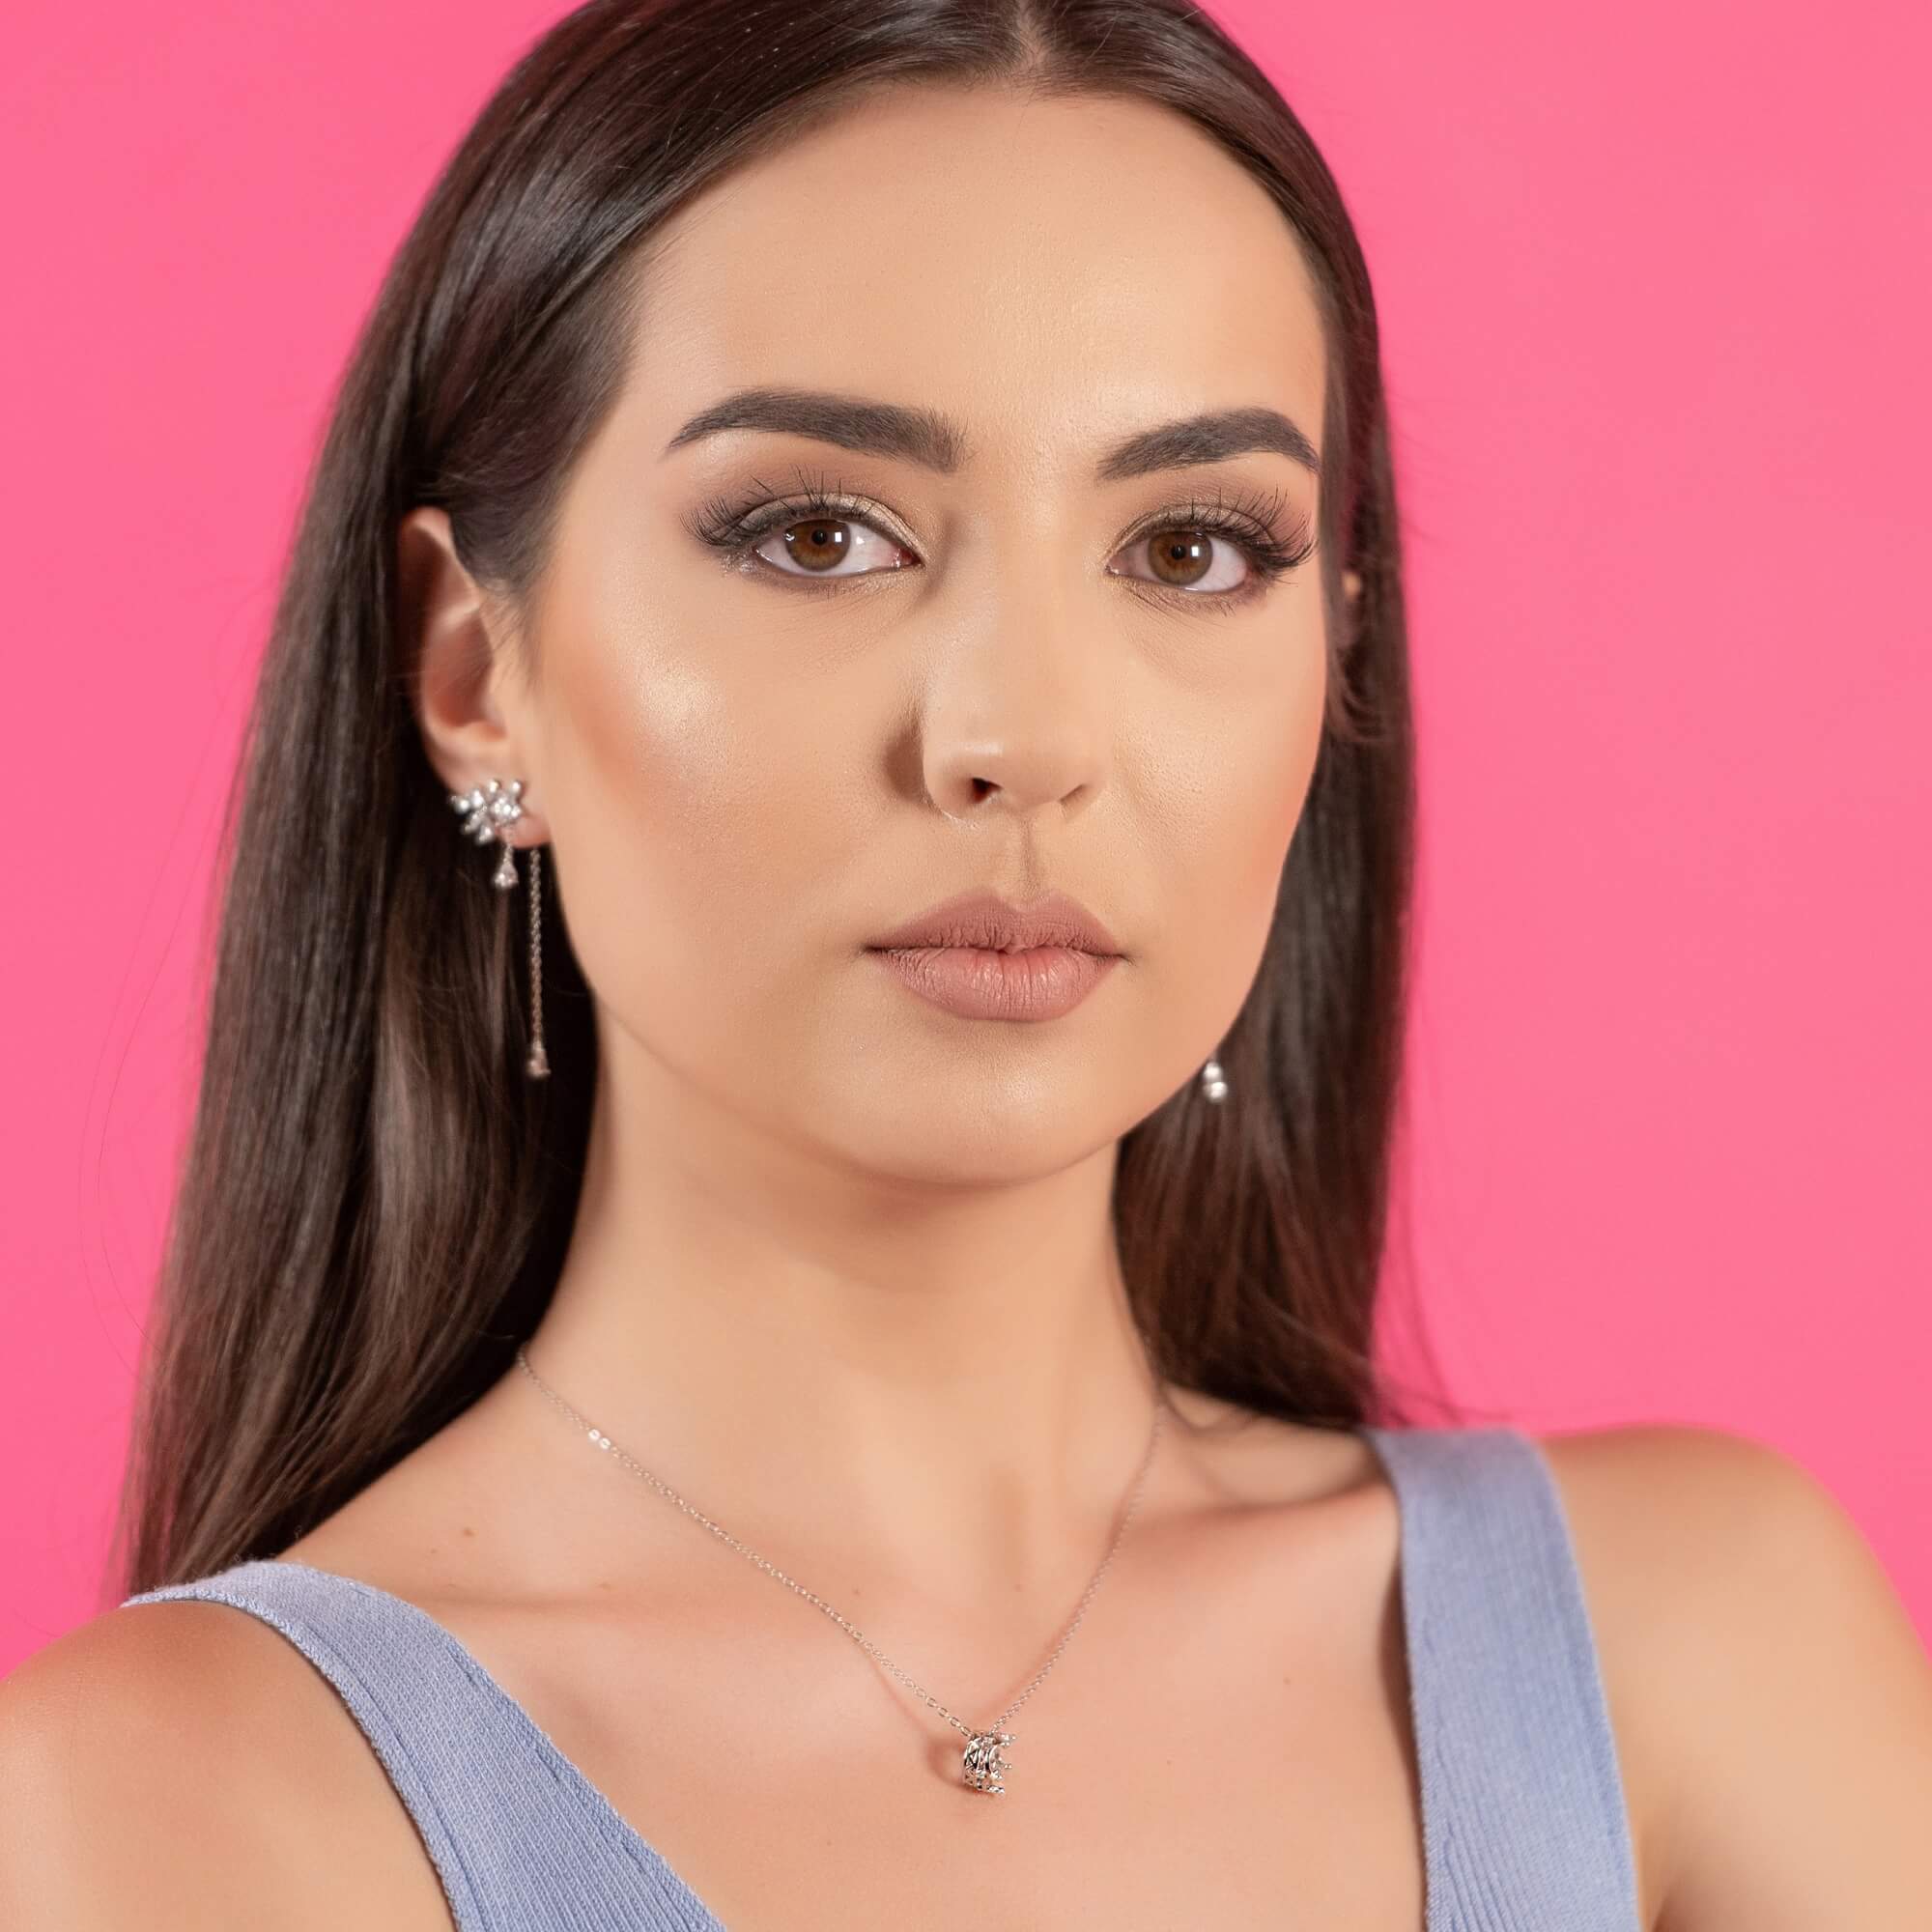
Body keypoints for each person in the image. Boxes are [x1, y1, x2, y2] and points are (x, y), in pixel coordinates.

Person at [4, 1, 1928, 1926]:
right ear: (470, 668)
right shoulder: (178, 1807)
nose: (1022, 737)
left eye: (1190, 550)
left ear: (1331, 655)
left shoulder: (1692, 1658)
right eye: (818, 535)